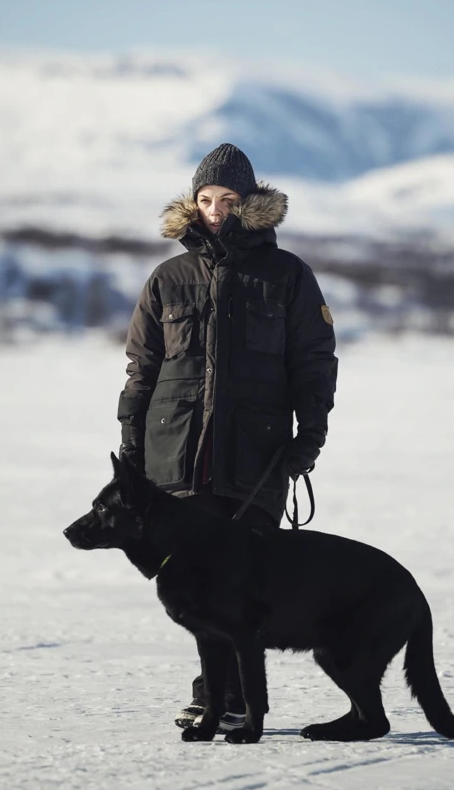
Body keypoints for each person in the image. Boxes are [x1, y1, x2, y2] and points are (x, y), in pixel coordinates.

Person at [116, 142, 338, 731]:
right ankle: (220, 694)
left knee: (243, 585)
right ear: (193, 203)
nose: (215, 209)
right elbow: (142, 370)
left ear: (250, 204)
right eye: (206, 199)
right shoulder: (168, 278)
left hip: (256, 455)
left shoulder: (288, 276)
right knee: (199, 586)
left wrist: (307, 437)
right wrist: (133, 446)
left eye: (228, 199)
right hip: (179, 455)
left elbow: (314, 363)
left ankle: (228, 696)